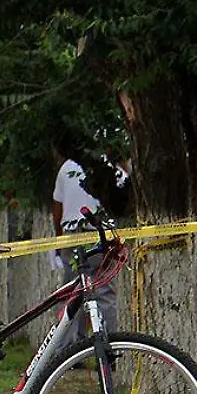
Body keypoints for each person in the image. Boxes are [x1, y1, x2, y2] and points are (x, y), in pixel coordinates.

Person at [51, 137, 123, 342]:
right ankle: (110, 347)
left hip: (73, 237)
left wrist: (58, 239)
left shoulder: (66, 168)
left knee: (73, 292)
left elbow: (57, 207)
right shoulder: (107, 164)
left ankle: (70, 349)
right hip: (102, 234)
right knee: (105, 292)